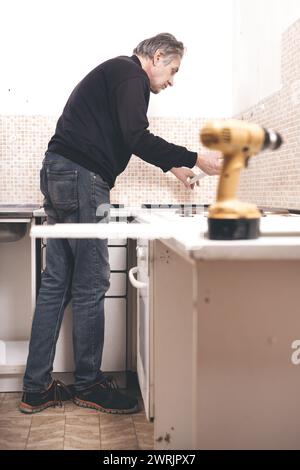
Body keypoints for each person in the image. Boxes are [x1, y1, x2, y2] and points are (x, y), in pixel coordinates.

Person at [19, 33, 222, 415]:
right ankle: (90, 383)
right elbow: (136, 136)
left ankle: (35, 388)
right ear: (157, 56)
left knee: (56, 283)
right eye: (173, 70)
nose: (172, 80)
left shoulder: (116, 74)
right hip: (83, 179)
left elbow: (125, 137)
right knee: (93, 279)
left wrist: (178, 168)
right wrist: (197, 157)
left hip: (60, 172)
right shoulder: (131, 76)